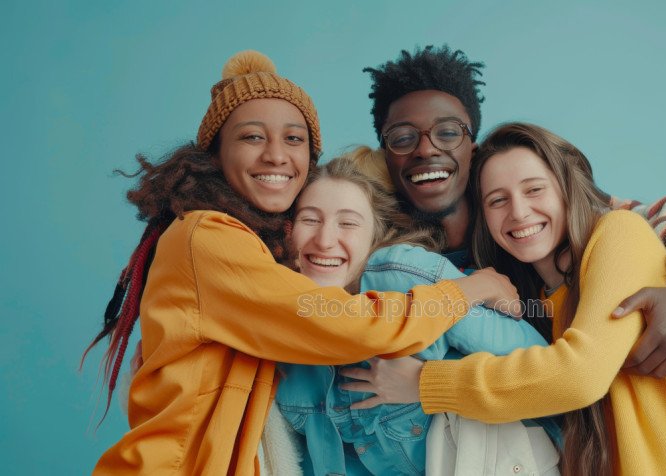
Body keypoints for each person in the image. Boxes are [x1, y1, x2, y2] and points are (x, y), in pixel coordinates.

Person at [82, 50, 520, 475]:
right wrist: (471, 289)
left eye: (294, 138)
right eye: (252, 136)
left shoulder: (270, 258)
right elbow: (345, 324)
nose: (276, 154)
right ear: (214, 154)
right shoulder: (208, 235)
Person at [343, 123, 666, 475]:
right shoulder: (538, 301)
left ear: (567, 190)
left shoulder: (617, 235)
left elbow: (577, 377)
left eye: (535, 189)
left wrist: (426, 384)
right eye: (497, 200)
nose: (519, 212)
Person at [364, 45, 666, 373]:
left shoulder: (520, 212)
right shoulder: (392, 251)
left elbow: (664, 220)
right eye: (402, 138)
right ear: (386, 155)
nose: (426, 149)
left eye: (447, 133)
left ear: (471, 149)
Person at [273, 155, 559, 475]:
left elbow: (548, 378)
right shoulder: (281, 336)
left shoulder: (402, 277)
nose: (325, 241)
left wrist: (429, 383)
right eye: (310, 220)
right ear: (288, 232)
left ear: (374, 237)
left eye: (348, 223)